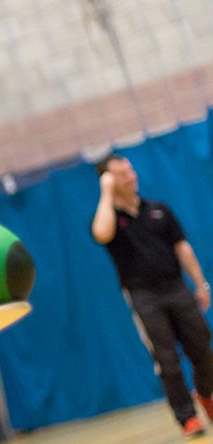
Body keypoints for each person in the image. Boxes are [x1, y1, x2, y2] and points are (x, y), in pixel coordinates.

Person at [91, 153, 213, 438]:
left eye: (131, 170)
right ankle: (187, 418)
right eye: (122, 174)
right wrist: (106, 193)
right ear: (108, 181)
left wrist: (200, 284)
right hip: (143, 296)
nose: (131, 176)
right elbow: (101, 233)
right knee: (167, 359)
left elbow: (182, 247)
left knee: (204, 352)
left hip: (176, 287)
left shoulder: (158, 210)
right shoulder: (109, 217)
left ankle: (206, 394)